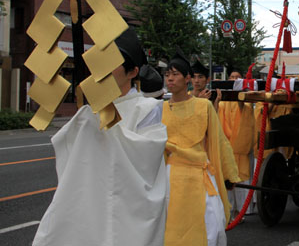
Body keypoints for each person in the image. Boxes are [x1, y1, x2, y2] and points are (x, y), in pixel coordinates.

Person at [33, 28, 168, 246]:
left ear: (132, 72)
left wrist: (105, 124)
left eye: (112, 62)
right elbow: (71, 153)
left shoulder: (147, 108)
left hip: (127, 208)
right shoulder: (91, 110)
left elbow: (145, 160)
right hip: (90, 198)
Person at [163, 48, 240, 245]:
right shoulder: (159, 109)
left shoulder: (203, 106)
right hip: (170, 177)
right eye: (167, 75)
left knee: (208, 228)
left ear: (187, 78)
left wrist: (228, 174)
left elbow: (218, 141)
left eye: (175, 74)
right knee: (170, 227)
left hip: (199, 175)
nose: (170, 79)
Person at [218, 68, 256, 220]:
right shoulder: (223, 101)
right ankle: (228, 211)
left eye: (237, 77)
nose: (234, 79)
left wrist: (241, 102)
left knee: (241, 180)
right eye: (232, 77)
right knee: (226, 180)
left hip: (239, 146)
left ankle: (241, 211)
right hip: (226, 146)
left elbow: (246, 116)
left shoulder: (245, 102)